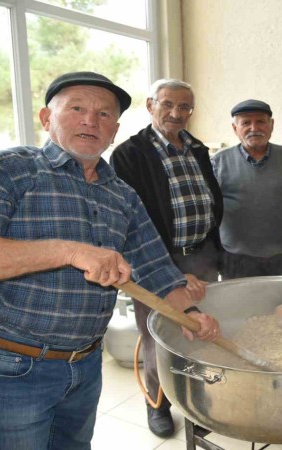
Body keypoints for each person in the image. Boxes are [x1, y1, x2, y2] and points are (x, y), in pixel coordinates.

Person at [0, 71, 221, 450]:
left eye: (104, 115)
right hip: (13, 365)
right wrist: (69, 251)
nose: (91, 120)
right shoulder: (6, 169)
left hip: (86, 364)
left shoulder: (121, 195)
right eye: (77, 108)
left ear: (114, 130)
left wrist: (187, 314)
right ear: (45, 118)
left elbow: (155, 268)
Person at [110, 78, 223, 437]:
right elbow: (131, 223)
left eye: (184, 107)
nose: (176, 113)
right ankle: (157, 403)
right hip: (157, 263)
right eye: (167, 104)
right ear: (150, 105)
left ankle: (196, 406)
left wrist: (213, 255)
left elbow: (210, 202)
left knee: (200, 334)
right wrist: (172, 271)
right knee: (158, 340)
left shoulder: (198, 149)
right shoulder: (129, 154)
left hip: (202, 257)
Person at [211, 99, 282, 278]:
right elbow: (210, 215)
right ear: (234, 128)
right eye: (246, 123)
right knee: (238, 306)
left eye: (260, 121)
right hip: (235, 258)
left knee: (278, 304)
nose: (254, 128)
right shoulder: (218, 163)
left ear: (271, 125)